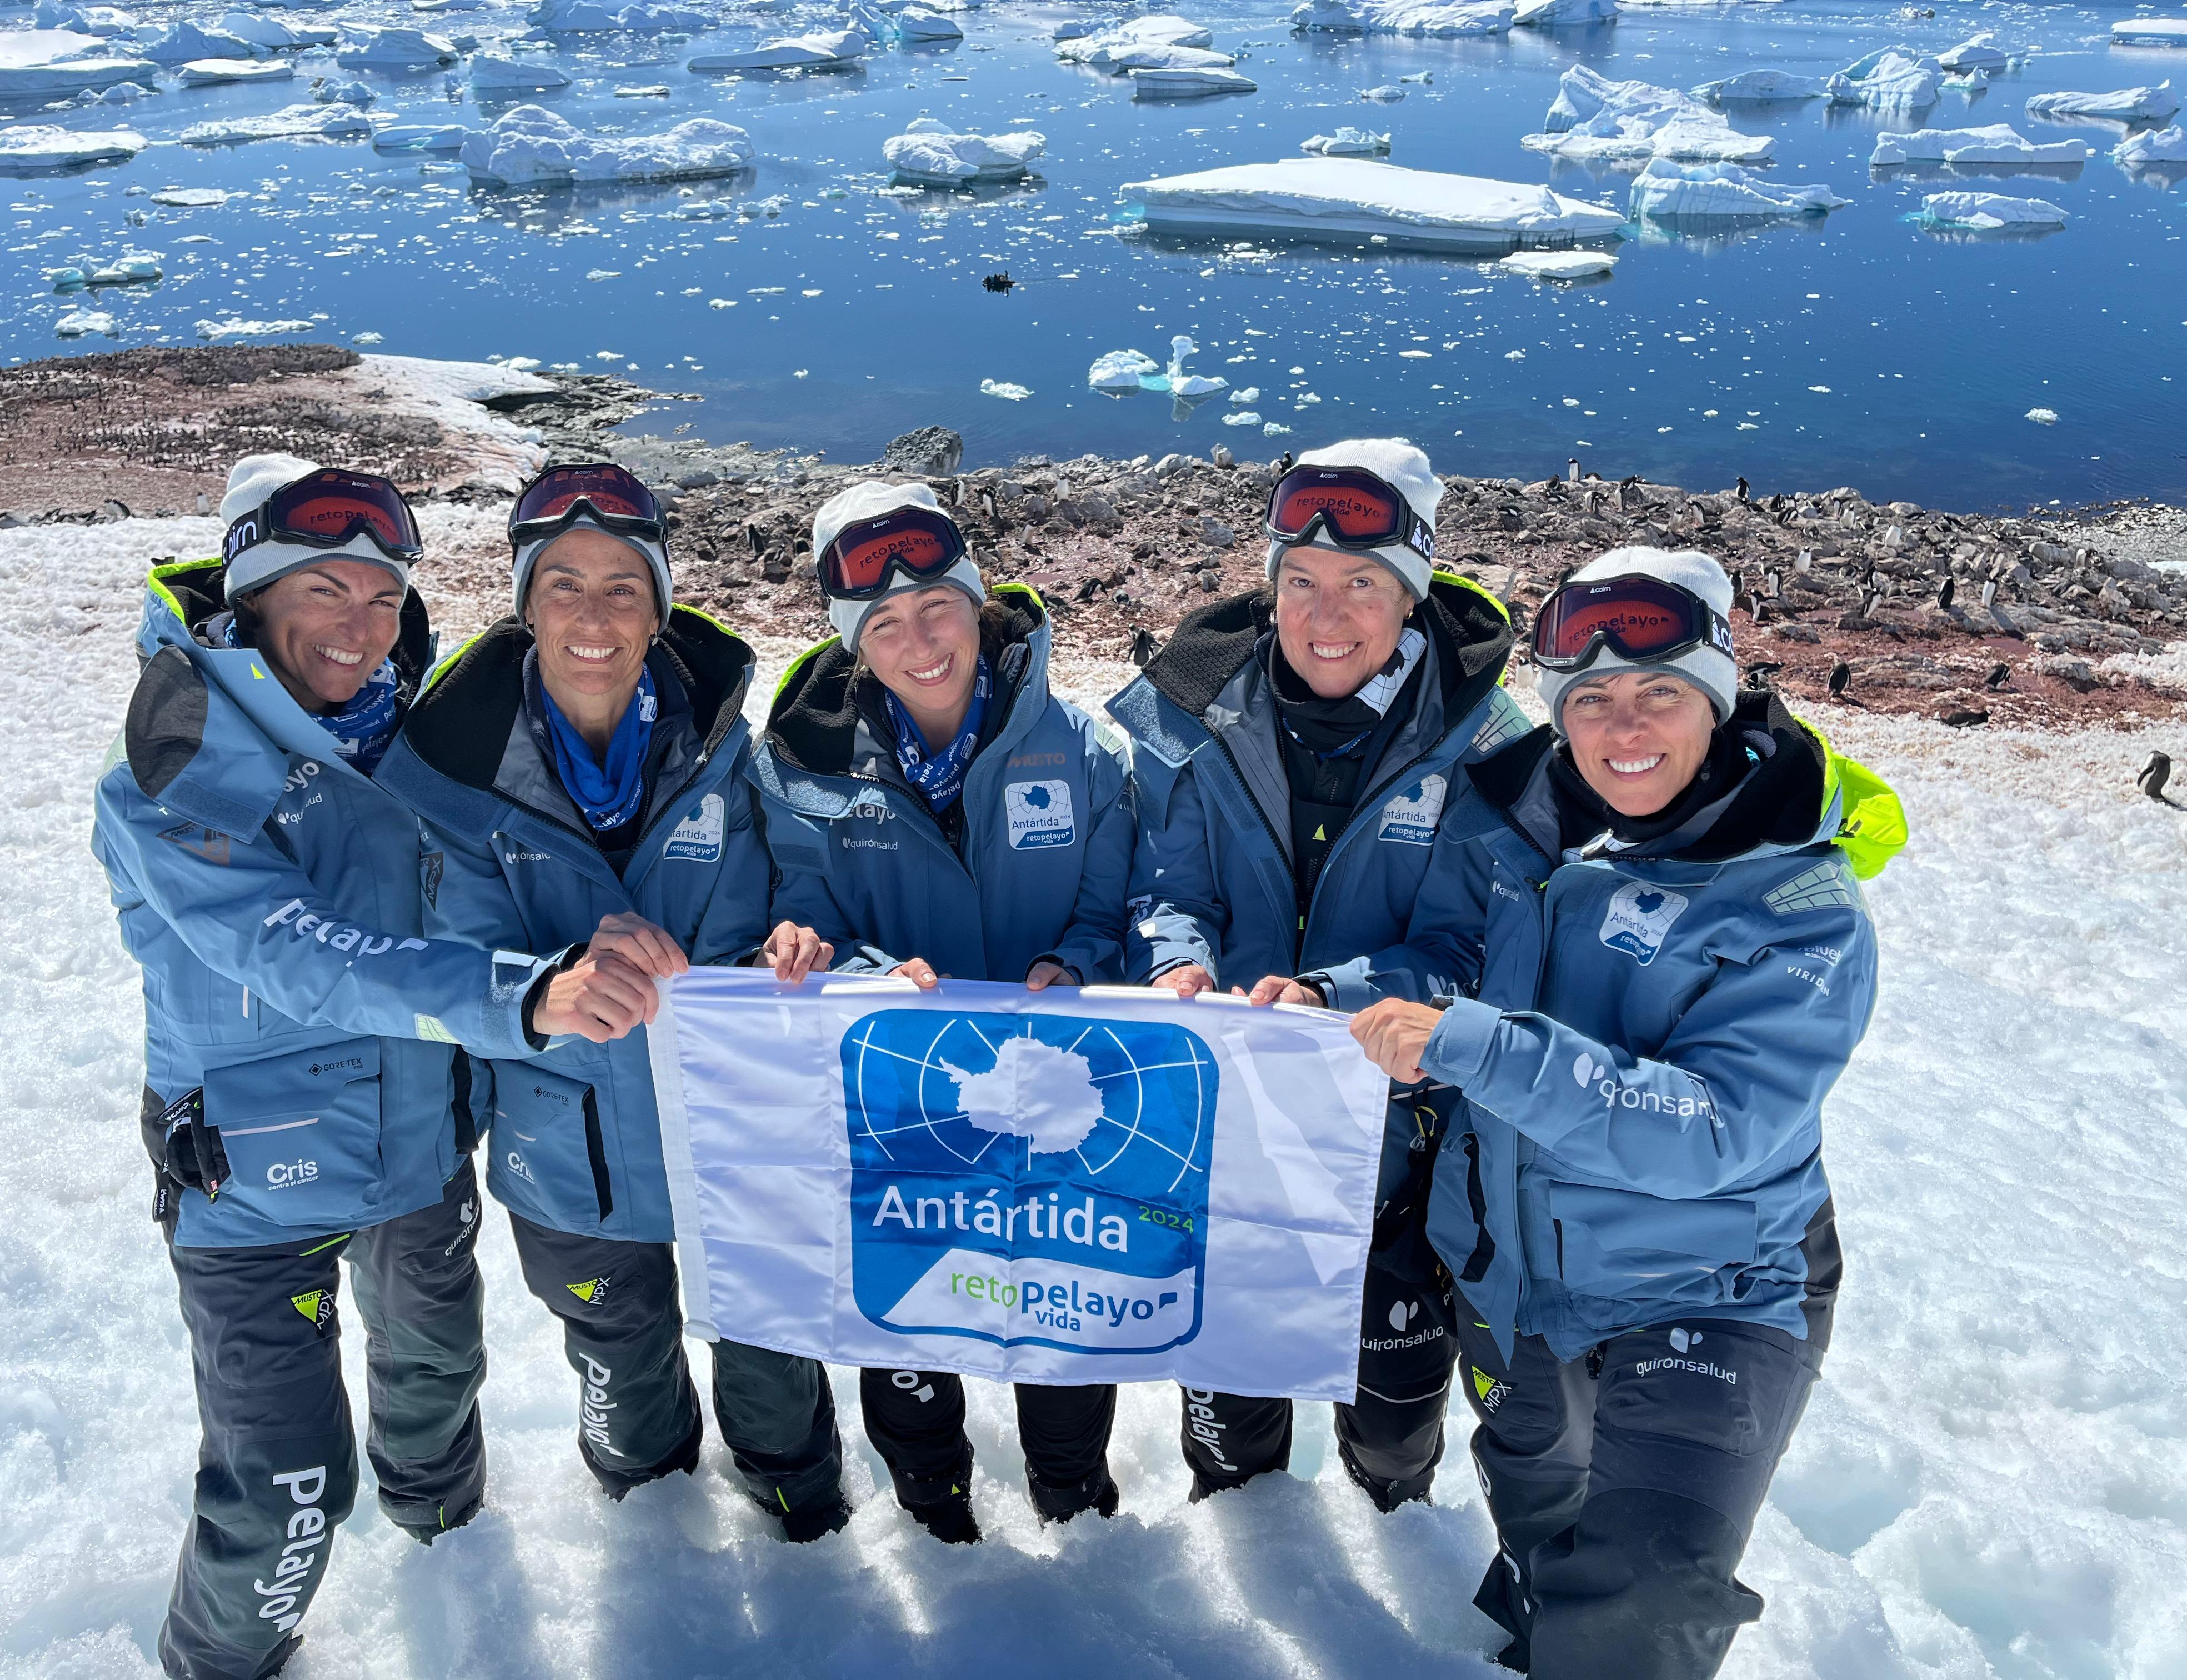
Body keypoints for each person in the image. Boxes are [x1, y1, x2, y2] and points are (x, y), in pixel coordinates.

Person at [92, 456, 640, 1680]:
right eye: (325, 591)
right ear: (250, 597)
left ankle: (448, 1550)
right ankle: (220, 1661)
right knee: (286, 1490)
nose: (362, 626)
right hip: (251, 1191)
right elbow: (294, 955)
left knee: (436, 1384)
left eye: (384, 597)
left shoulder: (421, 741)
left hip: (412, 1157)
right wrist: (527, 998)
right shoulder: (172, 764)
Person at [1348, 548, 1905, 1678]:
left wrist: (1473, 1045)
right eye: (1590, 701)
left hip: (1716, 1287)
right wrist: (1332, 999)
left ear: (1720, 697)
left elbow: (1712, 1128)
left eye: (1661, 694)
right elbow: (1447, 962)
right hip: (1512, 1282)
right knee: (1547, 1535)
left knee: (1646, 1601)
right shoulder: (1512, 829)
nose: (1623, 728)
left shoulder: (1797, 900)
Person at [376, 462, 849, 1538]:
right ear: (524, 603)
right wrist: (553, 974)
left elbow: (807, 872)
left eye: (624, 587)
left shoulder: (729, 742)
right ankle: (650, 1520)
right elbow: (432, 957)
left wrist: (805, 937)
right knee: (620, 1363)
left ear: (661, 604)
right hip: (569, 1154)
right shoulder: (440, 773)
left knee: (775, 1348)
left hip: (745, 1131)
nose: (594, 617)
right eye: (564, 586)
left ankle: (802, 1505)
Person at [1105, 439, 1530, 1509]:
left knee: (1392, 1433)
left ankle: (1394, 1534)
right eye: (1300, 581)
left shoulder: (1488, 742)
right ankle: (1239, 1525)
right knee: (1231, 1418)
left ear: (1413, 595)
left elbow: (1471, 950)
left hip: (1399, 1143)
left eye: (1362, 584)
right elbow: (1167, 889)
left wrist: (1332, 999)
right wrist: (1177, 970)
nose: (1325, 614)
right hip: (1228, 1132)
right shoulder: (1194, 711)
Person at [749, 480, 1136, 1541]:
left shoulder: (1087, 750)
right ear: (852, 641)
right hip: (905, 1101)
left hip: (1057, 1100)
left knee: (1059, 1307)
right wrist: (856, 963)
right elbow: (803, 910)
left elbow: (1112, 912)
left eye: (939, 609)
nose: (920, 642)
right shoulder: (804, 764)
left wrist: (1072, 961)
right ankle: (933, 1505)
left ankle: (1073, 1498)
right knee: (910, 1310)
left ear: (981, 606)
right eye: (883, 624)